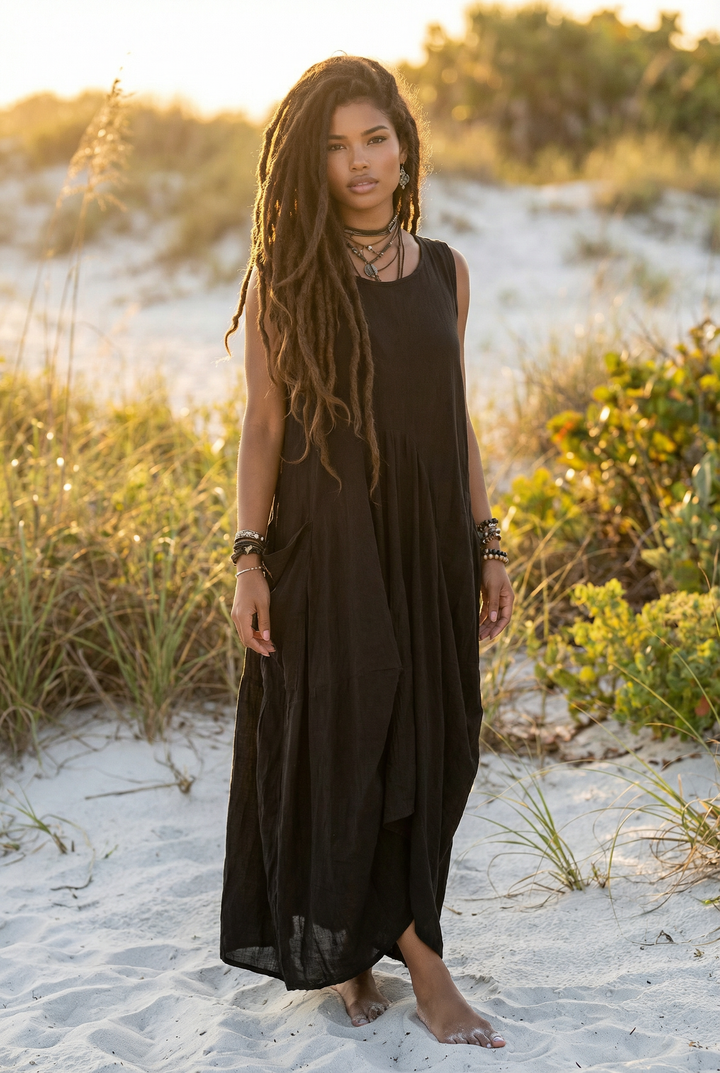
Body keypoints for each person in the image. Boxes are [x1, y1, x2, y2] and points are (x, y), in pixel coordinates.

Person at [220, 55, 514, 1049]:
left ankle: (357, 947)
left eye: (375, 138)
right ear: (311, 161)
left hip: (429, 544)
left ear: (404, 144)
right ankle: (424, 964)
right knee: (362, 738)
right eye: (337, 145)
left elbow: (459, 420)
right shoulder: (286, 277)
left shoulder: (445, 271)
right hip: (330, 548)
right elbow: (264, 426)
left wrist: (489, 542)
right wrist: (249, 558)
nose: (359, 163)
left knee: (443, 741)